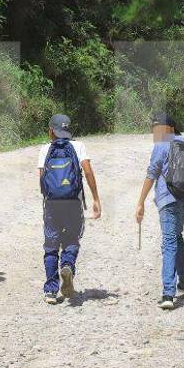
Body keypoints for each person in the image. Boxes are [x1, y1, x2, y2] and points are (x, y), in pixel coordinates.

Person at [135, 113, 184, 310]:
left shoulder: (162, 145)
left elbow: (151, 173)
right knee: (176, 237)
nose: (155, 132)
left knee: (169, 242)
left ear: (170, 129)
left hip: (168, 199)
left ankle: (168, 293)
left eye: (158, 128)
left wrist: (140, 202)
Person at [38, 114, 102, 304]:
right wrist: (96, 198)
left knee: (50, 245)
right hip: (73, 202)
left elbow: (42, 179)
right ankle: (67, 265)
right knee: (72, 238)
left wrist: (49, 198)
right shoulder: (78, 146)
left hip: (51, 203)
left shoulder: (45, 149)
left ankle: (50, 290)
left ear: (51, 130)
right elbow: (88, 171)